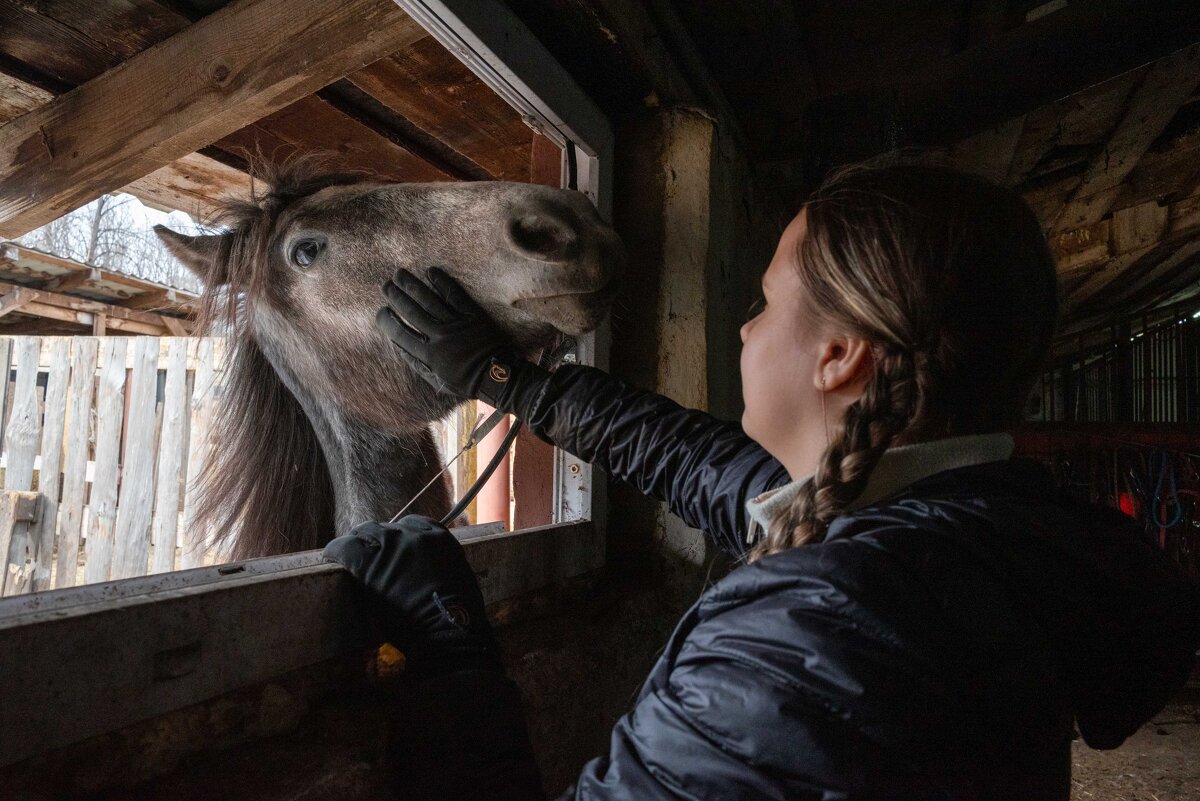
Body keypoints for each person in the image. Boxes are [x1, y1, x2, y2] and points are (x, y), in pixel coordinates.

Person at [323, 163, 1200, 800]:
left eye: (764, 303)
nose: (743, 332)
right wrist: (513, 385)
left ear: (839, 355)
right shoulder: (980, 530)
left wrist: (453, 658)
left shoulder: (812, 636)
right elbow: (708, 467)